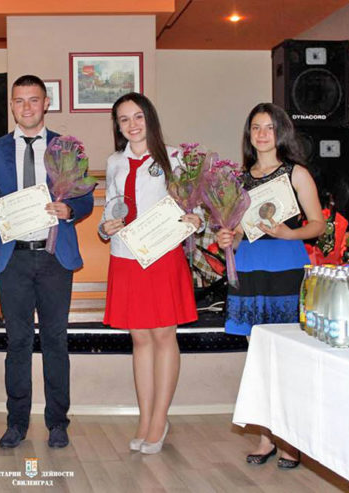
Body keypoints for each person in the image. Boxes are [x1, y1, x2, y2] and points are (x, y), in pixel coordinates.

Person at [0, 75, 94, 449]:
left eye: (33, 100)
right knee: (18, 342)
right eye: (19, 100)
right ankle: (16, 423)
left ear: (46, 103)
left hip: (55, 257)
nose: (26, 107)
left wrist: (71, 208)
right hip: (14, 258)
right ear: (11, 105)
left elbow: (85, 197)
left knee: (56, 340)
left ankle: (58, 422)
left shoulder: (65, 147)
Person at [216, 102, 325, 468]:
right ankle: (266, 437)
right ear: (248, 135)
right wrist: (227, 238)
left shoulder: (296, 174)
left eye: (269, 127)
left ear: (281, 132)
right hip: (249, 268)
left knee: (287, 357)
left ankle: (290, 440)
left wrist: (288, 232)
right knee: (258, 358)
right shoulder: (237, 179)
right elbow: (235, 230)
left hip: (286, 266)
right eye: (256, 128)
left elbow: (318, 224)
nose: (262, 134)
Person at [99, 92, 202, 454]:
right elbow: (109, 209)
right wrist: (105, 227)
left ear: (150, 119)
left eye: (138, 117)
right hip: (125, 256)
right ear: (118, 126)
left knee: (163, 335)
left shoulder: (175, 158)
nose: (132, 125)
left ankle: (159, 419)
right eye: (124, 119)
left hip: (162, 255)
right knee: (139, 339)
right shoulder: (114, 162)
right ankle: (145, 418)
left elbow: (194, 207)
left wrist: (196, 219)